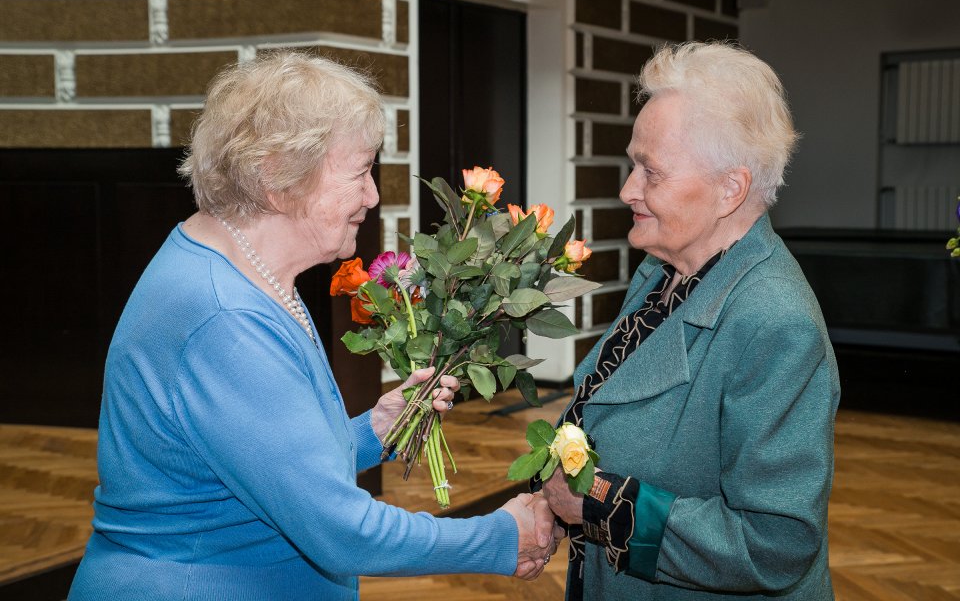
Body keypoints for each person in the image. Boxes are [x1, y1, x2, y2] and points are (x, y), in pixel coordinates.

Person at [68, 51, 561, 600]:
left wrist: (372, 431)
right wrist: (497, 536)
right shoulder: (225, 318)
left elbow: (258, 470)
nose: (373, 196)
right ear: (279, 176)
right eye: (360, 173)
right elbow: (339, 532)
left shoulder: (234, 268)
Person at [541, 41, 840, 600]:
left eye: (651, 173)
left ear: (731, 189)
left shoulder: (775, 323)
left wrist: (598, 502)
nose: (628, 190)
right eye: (633, 164)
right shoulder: (663, 271)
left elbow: (774, 544)